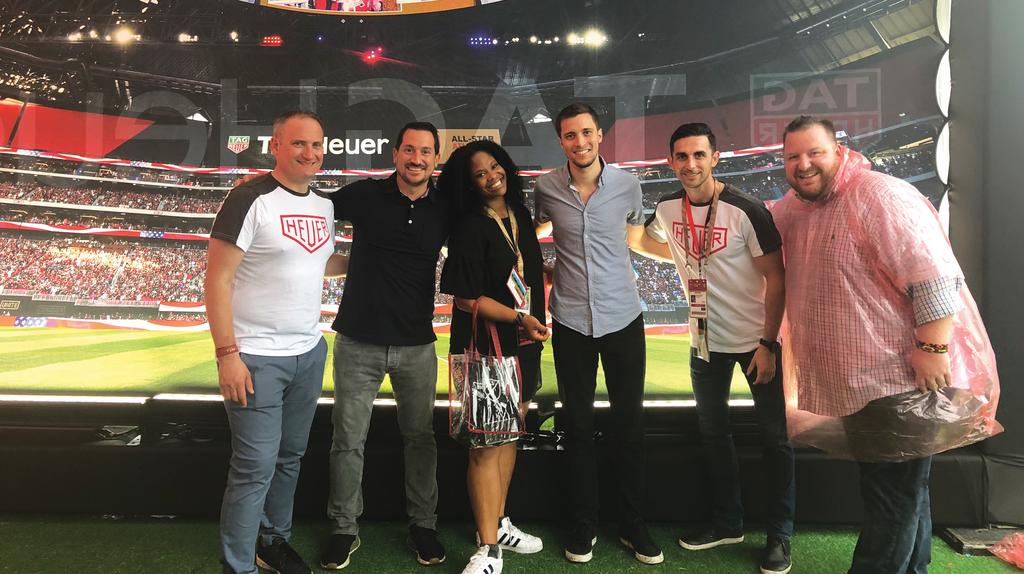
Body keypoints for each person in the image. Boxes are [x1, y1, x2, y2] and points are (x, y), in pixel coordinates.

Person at [772, 115, 981, 573]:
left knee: (890, 496)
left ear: (839, 150)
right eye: (792, 156)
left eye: (814, 152)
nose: (803, 164)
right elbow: (751, 234)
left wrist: (932, 349)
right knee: (905, 491)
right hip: (859, 383)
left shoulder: (879, 195)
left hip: (897, 381)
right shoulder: (796, 208)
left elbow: (936, 279)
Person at [633, 122, 795, 574]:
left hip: (755, 343)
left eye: (699, 155)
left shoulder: (747, 210)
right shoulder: (667, 208)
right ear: (671, 162)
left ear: (715, 158)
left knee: (774, 439)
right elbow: (647, 241)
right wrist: (680, 254)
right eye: (682, 156)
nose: (690, 164)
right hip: (704, 343)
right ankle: (728, 522)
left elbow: (776, 277)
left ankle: (780, 533)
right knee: (713, 435)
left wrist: (767, 343)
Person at [206, 110, 347, 574]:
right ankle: (238, 565)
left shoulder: (324, 206)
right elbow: (218, 278)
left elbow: (318, 262)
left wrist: (374, 258)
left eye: (317, 144)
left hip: (308, 352)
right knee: (254, 467)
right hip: (255, 357)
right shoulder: (249, 198)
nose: (310, 153)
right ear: (276, 146)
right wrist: (227, 354)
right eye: (299, 143)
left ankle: (272, 542)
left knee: (289, 458)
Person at [534, 102, 663, 565]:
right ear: (561, 141)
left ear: (600, 134)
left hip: (623, 318)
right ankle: (583, 522)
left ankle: (632, 523)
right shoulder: (545, 187)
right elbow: (533, 232)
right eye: (570, 135)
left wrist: (685, 257)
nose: (580, 142)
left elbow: (635, 239)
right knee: (578, 426)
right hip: (570, 321)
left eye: (586, 132)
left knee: (630, 425)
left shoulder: (628, 185)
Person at [321, 122, 449, 570]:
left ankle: (423, 526)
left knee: (421, 440)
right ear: (395, 154)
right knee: (347, 440)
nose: (417, 159)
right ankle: (343, 529)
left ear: (435, 159)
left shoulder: (445, 206)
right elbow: (306, 208)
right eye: (409, 149)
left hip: (417, 344)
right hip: (358, 341)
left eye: (426, 151)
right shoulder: (364, 195)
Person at [439, 140, 549, 574]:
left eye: (494, 166)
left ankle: (499, 524)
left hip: (523, 345)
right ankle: (488, 549)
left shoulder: (519, 214)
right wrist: (520, 317)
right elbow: (466, 299)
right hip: (485, 346)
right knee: (486, 445)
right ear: (469, 184)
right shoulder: (470, 225)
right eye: (479, 173)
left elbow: (524, 273)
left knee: (509, 436)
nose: (491, 176)